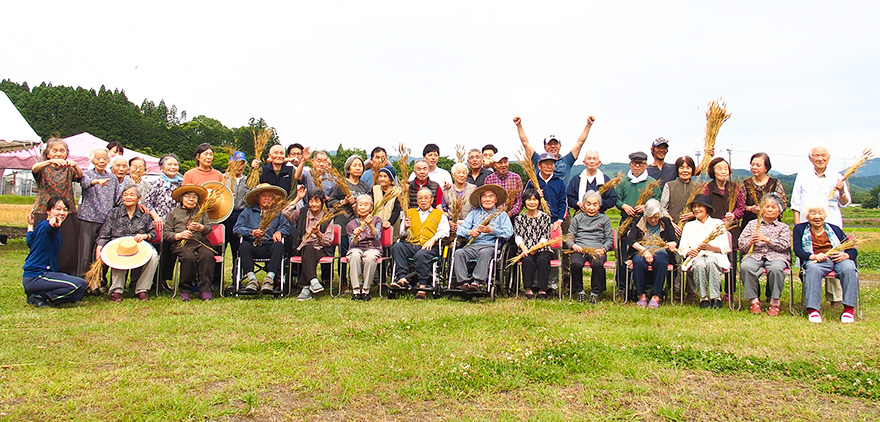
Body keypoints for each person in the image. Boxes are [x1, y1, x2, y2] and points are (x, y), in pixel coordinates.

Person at [790, 146, 850, 308]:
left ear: (828, 158)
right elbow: (795, 204)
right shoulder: (802, 176)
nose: (820, 159)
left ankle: (835, 298)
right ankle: (810, 296)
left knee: (834, 257)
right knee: (809, 259)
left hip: (832, 225)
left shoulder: (837, 177)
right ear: (810, 158)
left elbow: (844, 203)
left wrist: (842, 190)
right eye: (816, 156)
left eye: (823, 156)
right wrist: (798, 227)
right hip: (807, 225)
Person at [793, 202, 858, 323]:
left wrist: (846, 255)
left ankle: (849, 309)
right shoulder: (800, 229)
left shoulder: (835, 229)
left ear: (825, 215)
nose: (817, 216)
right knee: (813, 270)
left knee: (849, 268)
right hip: (817, 260)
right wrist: (813, 256)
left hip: (837, 258)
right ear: (807, 216)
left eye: (820, 213)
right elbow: (797, 250)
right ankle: (813, 310)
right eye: (813, 213)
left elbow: (853, 250)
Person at [96, 184, 159, 302]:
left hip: (139, 246)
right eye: (125, 195)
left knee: (154, 256)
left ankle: (142, 289)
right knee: (120, 253)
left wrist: (145, 235)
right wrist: (99, 247)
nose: (128, 197)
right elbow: (104, 233)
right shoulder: (114, 213)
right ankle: (116, 290)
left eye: (132, 195)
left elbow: (152, 234)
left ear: (138, 198)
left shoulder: (144, 214)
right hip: (118, 245)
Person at [30, 137, 83, 275]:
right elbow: (34, 168)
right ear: (47, 153)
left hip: (67, 212)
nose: (58, 154)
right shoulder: (43, 167)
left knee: (68, 247)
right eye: (54, 151)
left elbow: (80, 176)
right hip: (44, 211)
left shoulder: (68, 168)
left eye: (62, 151)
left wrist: (75, 165)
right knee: (43, 244)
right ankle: (42, 275)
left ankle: (67, 277)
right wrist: (50, 162)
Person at [22, 197, 88, 307]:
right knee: (79, 285)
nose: (62, 213)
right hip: (37, 276)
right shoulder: (47, 226)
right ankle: (40, 296)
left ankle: (37, 294)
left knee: (79, 295)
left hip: (41, 275)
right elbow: (50, 227)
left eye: (65, 210)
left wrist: (30, 225)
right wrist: (52, 224)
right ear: (48, 211)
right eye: (58, 209)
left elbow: (30, 242)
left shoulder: (40, 225)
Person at [390, 188, 450, 300]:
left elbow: (445, 231)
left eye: (426, 198)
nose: (423, 200)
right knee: (397, 247)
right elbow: (402, 233)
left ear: (432, 200)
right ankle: (402, 278)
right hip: (412, 244)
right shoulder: (410, 213)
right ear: (417, 201)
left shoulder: (438, 214)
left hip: (430, 246)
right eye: (420, 198)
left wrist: (433, 239)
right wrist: (406, 227)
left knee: (421, 255)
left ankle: (422, 287)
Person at [233, 184, 292, 295]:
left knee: (279, 246)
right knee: (243, 246)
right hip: (253, 245)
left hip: (270, 245)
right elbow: (237, 228)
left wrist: (279, 232)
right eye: (263, 195)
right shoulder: (248, 212)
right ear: (257, 198)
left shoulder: (278, 212)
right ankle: (252, 280)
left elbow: (286, 227)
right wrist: (251, 232)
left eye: (270, 196)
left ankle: (270, 279)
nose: (266, 198)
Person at [738, 193, 791, 316]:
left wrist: (767, 240)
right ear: (762, 209)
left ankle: (775, 302)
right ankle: (754, 301)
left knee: (776, 268)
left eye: (774, 207)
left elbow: (785, 245)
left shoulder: (783, 227)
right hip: (755, 254)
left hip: (777, 255)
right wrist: (750, 241)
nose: (770, 210)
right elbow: (741, 244)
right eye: (767, 207)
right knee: (746, 266)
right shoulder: (752, 224)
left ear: (779, 211)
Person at [453, 185, 514, 291]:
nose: (487, 199)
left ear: (495, 200)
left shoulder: (501, 214)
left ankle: (477, 282)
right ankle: (463, 283)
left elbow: (508, 233)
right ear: (480, 200)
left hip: (490, 246)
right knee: (459, 253)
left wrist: (491, 231)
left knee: (484, 253)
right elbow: (460, 230)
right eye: (484, 197)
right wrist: (470, 232)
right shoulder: (473, 213)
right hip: (473, 245)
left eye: (491, 196)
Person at [615, 151, 660, 289]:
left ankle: (644, 284)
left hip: (644, 224)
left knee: (643, 253)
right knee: (623, 255)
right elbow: (616, 199)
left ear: (646, 165)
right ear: (630, 164)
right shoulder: (622, 181)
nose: (638, 166)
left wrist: (646, 207)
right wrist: (624, 206)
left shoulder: (652, 183)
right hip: (626, 222)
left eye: (641, 163)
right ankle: (623, 285)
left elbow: (657, 201)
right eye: (635, 163)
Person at [702, 157, 745, 297]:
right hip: (714, 229)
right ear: (712, 172)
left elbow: (741, 206)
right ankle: (715, 290)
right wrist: (718, 221)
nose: (723, 171)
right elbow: (704, 207)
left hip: (731, 229)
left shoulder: (734, 188)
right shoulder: (708, 188)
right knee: (715, 258)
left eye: (725, 168)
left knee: (731, 258)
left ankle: (730, 292)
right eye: (719, 168)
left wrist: (734, 216)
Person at [679, 194, 731, 309]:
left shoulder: (718, 224)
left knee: (711, 262)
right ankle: (703, 298)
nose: (696, 209)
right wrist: (689, 252)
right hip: (696, 257)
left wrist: (711, 248)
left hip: (715, 255)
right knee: (699, 264)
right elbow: (682, 247)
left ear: (707, 209)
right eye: (694, 206)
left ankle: (715, 297)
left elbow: (726, 248)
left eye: (700, 206)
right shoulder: (689, 225)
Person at [164, 185, 215, 301]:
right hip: (181, 244)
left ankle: (205, 289)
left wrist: (201, 227)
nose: (191, 200)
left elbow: (209, 228)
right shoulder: (174, 213)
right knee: (188, 257)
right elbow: (166, 233)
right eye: (188, 197)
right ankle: (185, 289)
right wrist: (179, 235)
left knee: (207, 256)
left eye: (194, 197)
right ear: (181, 199)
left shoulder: (201, 212)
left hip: (200, 241)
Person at [659, 155, 700, 300]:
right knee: (676, 259)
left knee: (691, 257)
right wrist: (672, 223)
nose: (685, 170)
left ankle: (691, 291)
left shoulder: (697, 187)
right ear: (677, 170)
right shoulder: (669, 185)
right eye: (682, 167)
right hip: (673, 229)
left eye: (688, 167)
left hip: (692, 228)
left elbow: (702, 208)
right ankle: (676, 290)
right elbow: (662, 208)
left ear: (692, 170)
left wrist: (692, 214)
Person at [625, 199, 678, 308]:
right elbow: (630, 240)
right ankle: (641, 295)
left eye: (656, 217)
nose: (654, 220)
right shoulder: (639, 221)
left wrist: (671, 245)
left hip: (660, 250)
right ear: (645, 215)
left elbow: (674, 240)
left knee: (661, 262)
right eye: (650, 218)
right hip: (642, 250)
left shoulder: (665, 222)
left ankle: (656, 296)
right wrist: (645, 251)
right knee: (638, 262)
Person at [142, 154, 184, 284]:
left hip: (175, 225)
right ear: (161, 167)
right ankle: (154, 280)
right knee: (161, 251)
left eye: (175, 164)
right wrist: (156, 217)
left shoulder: (181, 184)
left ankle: (164, 280)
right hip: (159, 223)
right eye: (169, 164)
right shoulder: (156, 183)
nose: (173, 167)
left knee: (172, 253)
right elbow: (147, 203)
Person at [513, 114, 596, 180]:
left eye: (555, 144)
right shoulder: (538, 159)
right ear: (545, 147)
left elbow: (580, 143)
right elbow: (525, 143)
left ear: (560, 146)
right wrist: (519, 126)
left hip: (560, 200)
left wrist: (588, 125)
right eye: (549, 144)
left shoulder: (567, 161)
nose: (553, 146)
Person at [567, 191, 614, 304]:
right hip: (580, 249)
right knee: (576, 264)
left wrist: (603, 249)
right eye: (588, 204)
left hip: (597, 249)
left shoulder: (604, 219)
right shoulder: (577, 218)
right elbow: (568, 237)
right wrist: (573, 245)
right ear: (584, 204)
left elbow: (609, 239)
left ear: (599, 205)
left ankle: (595, 292)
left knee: (597, 264)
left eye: (595, 204)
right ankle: (579, 291)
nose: (591, 207)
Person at [286, 188, 332, 301]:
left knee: (309, 252)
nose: (314, 204)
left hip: (321, 248)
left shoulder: (327, 217)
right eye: (311, 201)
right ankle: (313, 281)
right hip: (303, 246)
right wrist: (298, 198)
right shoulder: (302, 213)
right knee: (307, 248)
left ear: (322, 203)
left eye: (317, 201)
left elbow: (329, 241)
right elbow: (285, 212)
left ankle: (306, 287)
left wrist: (319, 234)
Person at [78, 148, 118, 277]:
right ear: (92, 160)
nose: (101, 161)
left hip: (106, 220)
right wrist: (96, 182)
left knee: (102, 252)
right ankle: (82, 280)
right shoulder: (87, 174)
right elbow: (85, 184)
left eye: (104, 158)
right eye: (98, 158)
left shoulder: (112, 178)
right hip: (88, 218)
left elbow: (116, 199)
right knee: (85, 252)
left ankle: (98, 280)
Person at [513, 189, 554, 300]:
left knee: (542, 260)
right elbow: (518, 236)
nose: (532, 202)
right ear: (524, 202)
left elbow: (545, 237)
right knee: (528, 260)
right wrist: (524, 249)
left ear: (539, 202)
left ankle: (542, 289)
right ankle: (528, 288)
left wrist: (535, 248)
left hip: (542, 248)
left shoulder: (545, 217)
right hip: (525, 249)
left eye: (534, 199)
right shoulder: (519, 218)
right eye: (529, 200)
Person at [346, 195, 383, 301]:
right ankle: (356, 290)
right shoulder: (351, 224)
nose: (362, 208)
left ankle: (366, 290)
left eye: (366, 205)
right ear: (356, 208)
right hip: (357, 248)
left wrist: (370, 225)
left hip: (373, 248)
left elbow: (377, 237)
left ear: (371, 208)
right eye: (360, 205)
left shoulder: (377, 220)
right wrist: (356, 236)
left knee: (370, 257)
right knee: (354, 255)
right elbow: (352, 244)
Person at [739, 152, 787, 229]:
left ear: (766, 168)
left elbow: (783, 204)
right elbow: (740, 205)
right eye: (752, 164)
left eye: (758, 165)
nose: (754, 167)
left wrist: (766, 210)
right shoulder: (746, 184)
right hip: (750, 225)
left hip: (771, 225)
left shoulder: (775, 183)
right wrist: (751, 208)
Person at [523, 153, 566, 233]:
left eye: (552, 164)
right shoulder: (533, 181)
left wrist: (559, 220)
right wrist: (535, 195)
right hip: (535, 220)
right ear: (539, 166)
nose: (549, 167)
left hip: (554, 221)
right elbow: (524, 200)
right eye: (546, 164)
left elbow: (563, 203)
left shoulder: (559, 182)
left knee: (555, 244)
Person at [567, 150, 618, 215]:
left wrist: (597, 204)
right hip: (579, 216)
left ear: (599, 163)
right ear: (584, 162)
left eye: (594, 159)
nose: (591, 161)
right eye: (589, 159)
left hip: (599, 216)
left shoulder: (605, 180)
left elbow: (612, 199)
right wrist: (577, 203)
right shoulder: (576, 179)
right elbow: (569, 197)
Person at [225, 151, 250, 278]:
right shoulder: (224, 178)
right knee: (221, 247)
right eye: (236, 163)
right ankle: (216, 279)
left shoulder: (248, 180)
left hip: (241, 215)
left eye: (242, 163)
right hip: (225, 215)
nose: (239, 166)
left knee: (238, 247)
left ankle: (237, 276)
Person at [444, 163, 477, 233]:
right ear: (453, 175)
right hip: (451, 226)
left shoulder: (473, 188)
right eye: (458, 173)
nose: (461, 175)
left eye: (464, 173)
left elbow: (475, 208)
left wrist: (466, 222)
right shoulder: (446, 191)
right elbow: (444, 209)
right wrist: (449, 222)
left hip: (469, 226)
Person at [371, 166, 402, 239]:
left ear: (391, 179)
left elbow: (397, 210)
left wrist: (389, 222)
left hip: (391, 225)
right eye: (380, 176)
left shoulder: (397, 192)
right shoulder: (374, 189)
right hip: (375, 225)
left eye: (385, 176)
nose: (382, 179)